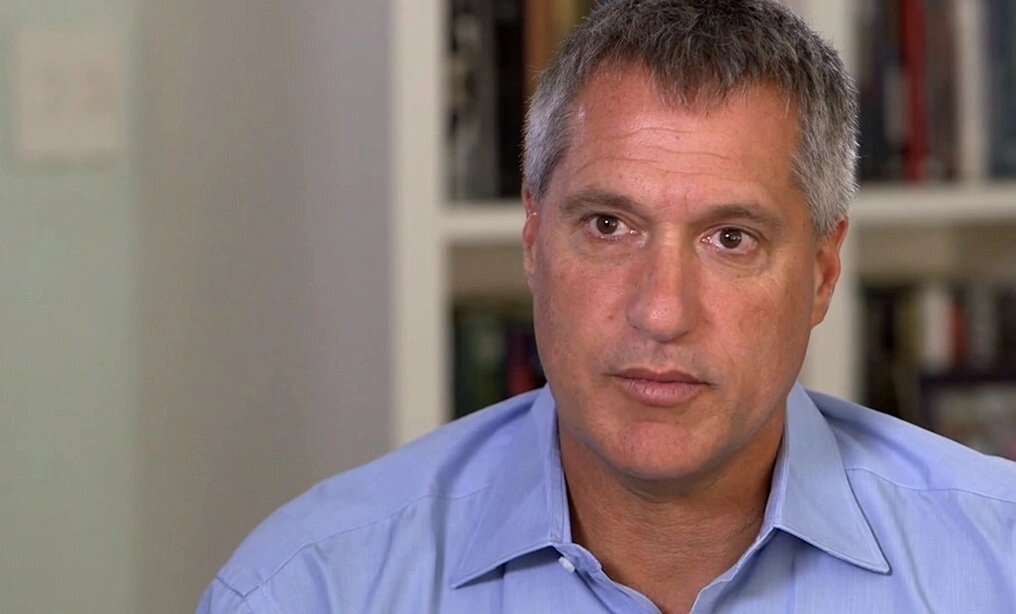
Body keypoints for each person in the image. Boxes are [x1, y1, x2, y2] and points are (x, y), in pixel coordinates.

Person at [199, 1, 1016, 612]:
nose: (661, 312)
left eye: (731, 238)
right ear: (532, 240)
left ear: (823, 274)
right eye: (608, 225)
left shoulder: (998, 564)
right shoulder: (315, 587)